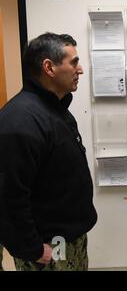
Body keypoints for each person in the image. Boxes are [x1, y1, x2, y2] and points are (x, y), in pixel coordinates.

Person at [0, 32, 97, 271]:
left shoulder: (56, 110)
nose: (80, 69)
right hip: (47, 246)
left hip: (69, 239)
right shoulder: (20, 120)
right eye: (73, 62)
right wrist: (32, 247)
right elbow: (10, 195)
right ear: (49, 68)